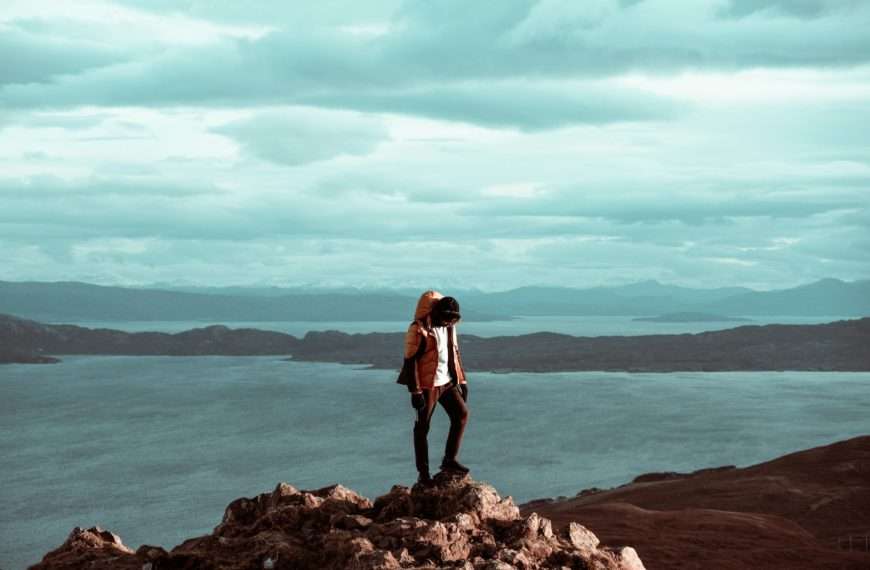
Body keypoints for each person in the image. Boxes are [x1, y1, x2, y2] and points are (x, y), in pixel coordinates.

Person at [397, 290, 470, 486]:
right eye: (446, 319)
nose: (448, 323)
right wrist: (415, 392)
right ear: (437, 313)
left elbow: (454, 355)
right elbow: (410, 362)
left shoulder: (449, 328)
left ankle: (449, 460)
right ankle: (424, 474)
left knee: (461, 415)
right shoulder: (418, 329)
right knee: (422, 428)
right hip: (427, 386)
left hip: (446, 383)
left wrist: (462, 381)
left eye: (452, 320)